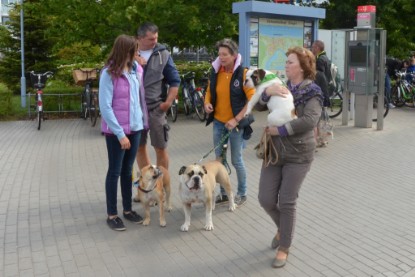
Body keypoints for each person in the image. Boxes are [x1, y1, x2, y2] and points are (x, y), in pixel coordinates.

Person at [255, 46, 323, 268]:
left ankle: (284, 246)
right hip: (275, 152)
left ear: (303, 67)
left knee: (286, 201)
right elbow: (258, 105)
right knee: (265, 198)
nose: (286, 65)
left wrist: (281, 130)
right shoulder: (280, 87)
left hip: (299, 154)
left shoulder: (312, 91)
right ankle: (283, 229)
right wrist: (266, 93)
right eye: (286, 62)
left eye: (290, 62)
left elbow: (309, 120)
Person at [99, 34, 149, 231]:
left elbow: (138, 99)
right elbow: (105, 107)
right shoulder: (109, 73)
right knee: (115, 172)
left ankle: (127, 210)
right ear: (125, 51)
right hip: (116, 132)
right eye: (134, 50)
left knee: (128, 171)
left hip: (135, 129)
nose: (137, 54)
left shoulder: (136, 70)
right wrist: (120, 134)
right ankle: (112, 214)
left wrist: (141, 123)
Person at [204, 38, 255, 207]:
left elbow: (252, 99)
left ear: (234, 55)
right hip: (218, 123)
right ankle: (224, 193)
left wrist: (236, 119)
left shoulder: (243, 73)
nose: (222, 57)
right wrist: (207, 103)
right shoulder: (216, 71)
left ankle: (242, 193)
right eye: (220, 54)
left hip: (235, 125)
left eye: (225, 54)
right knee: (219, 160)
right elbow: (209, 91)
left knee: (236, 160)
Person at [135, 22, 180, 171]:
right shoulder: (128, 53)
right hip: (135, 110)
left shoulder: (164, 54)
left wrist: (167, 103)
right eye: (151, 39)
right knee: (139, 148)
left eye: (156, 38)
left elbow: (175, 81)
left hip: (156, 109)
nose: (155, 42)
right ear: (140, 38)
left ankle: (162, 185)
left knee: (160, 148)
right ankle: (148, 183)